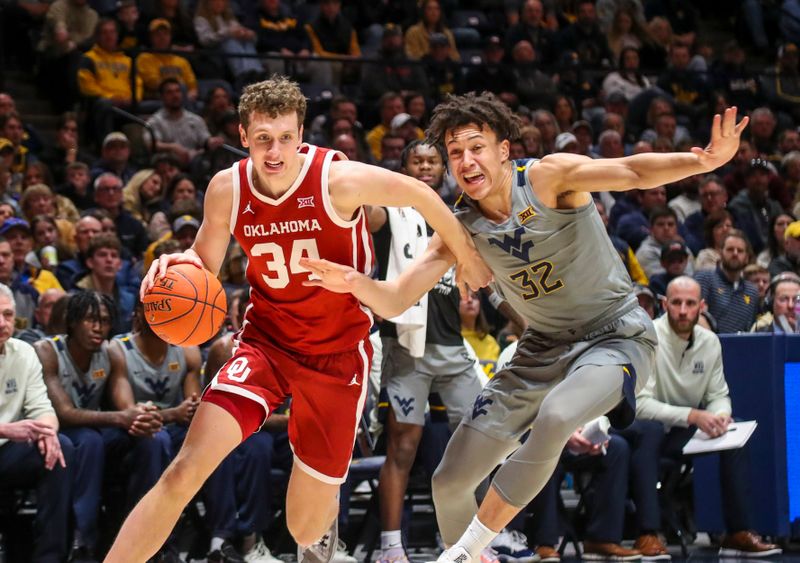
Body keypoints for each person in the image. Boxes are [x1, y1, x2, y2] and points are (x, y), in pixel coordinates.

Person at [300, 93, 748, 563]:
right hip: (542, 348)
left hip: (615, 333)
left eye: (477, 147)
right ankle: (476, 557)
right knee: (449, 481)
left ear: (504, 150)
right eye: (456, 153)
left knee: (557, 416)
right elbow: (395, 299)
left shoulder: (547, 176)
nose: (466, 160)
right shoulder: (461, 226)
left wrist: (703, 161)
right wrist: (351, 280)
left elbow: (633, 171)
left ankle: (467, 550)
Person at [105, 76, 490, 563]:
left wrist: (466, 255)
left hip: (337, 355)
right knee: (184, 471)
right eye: (263, 137)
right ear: (244, 136)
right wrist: (170, 268)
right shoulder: (228, 188)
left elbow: (420, 193)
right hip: (265, 346)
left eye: (286, 137)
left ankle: (321, 532)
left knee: (301, 523)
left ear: (301, 134)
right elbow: (203, 263)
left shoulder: (338, 179)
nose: (274, 151)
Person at [367, 140, 484, 563]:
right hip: (406, 348)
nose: (425, 167)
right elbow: (366, 210)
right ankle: (391, 547)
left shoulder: (458, 216)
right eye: (416, 161)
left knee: (485, 440)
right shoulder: (388, 212)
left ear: (442, 169)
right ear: (403, 169)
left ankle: (476, 541)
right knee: (402, 447)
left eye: (432, 161)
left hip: (453, 348)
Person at [637, 276, 782, 557]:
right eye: (676, 303)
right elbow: (641, 405)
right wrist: (694, 415)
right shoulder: (648, 338)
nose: (682, 310)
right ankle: (648, 533)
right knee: (649, 432)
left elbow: (718, 394)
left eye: (690, 303)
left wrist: (720, 416)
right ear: (664, 304)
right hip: (652, 429)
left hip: (685, 431)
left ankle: (738, 532)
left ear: (702, 306)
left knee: (734, 432)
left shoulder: (710, 342)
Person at [36, 291, 168, 561]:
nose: (98, 328)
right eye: (90, 320)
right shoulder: (47, 351)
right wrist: (121, 417)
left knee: (151, 439)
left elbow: (124, 405)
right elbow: (64, 413)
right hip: (55, 432)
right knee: (89, 440)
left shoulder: (110, 353)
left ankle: (142, 538)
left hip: (95, 431)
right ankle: (82, 540)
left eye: (105, 321)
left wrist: (141, 416)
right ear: (72, 322)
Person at [0, 282, 73, 563]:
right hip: (7, 436)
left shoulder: (23, 352)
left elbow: (42, 407)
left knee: (59, 448)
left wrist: (46, 432)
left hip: (8, 451)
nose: (2, 323)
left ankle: (49, 557)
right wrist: (6, 429)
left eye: (8, 315)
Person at [695, 230, 760, 333]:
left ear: (747, 258)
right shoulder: (705, 278)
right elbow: (696, 316)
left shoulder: (752, 291)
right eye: (730, 249)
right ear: (720, 253)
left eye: (740, 251)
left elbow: (750, 329)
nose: (735, 254)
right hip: (708, 345)